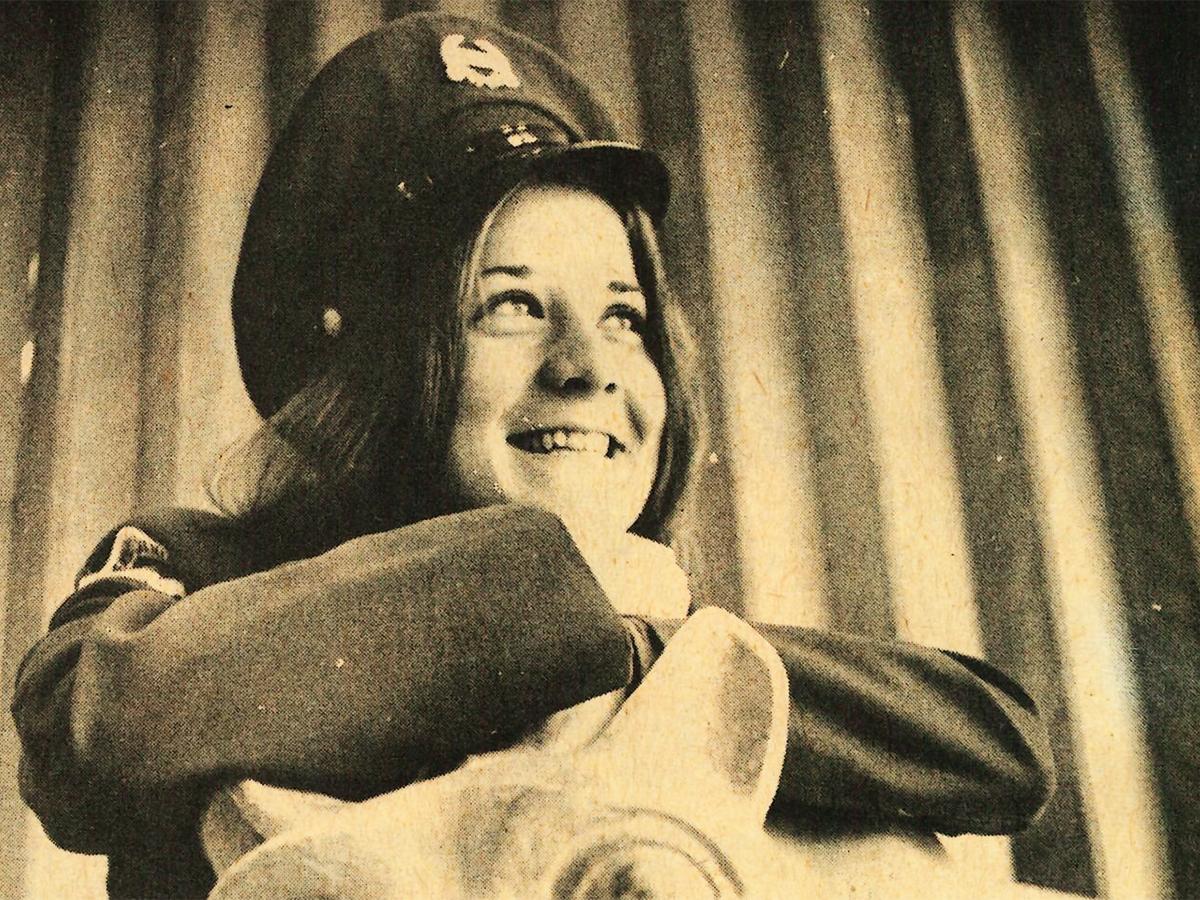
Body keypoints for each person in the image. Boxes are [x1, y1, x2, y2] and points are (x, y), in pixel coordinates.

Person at [11, 13, 1055, 899]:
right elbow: (88, 720)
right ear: (372, 356)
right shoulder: (206, 572)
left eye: (624, 315)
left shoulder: (656, 634)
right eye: (511, 306)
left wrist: (642, 652)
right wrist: (553, 604)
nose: (587, 367)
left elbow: (995, 740)